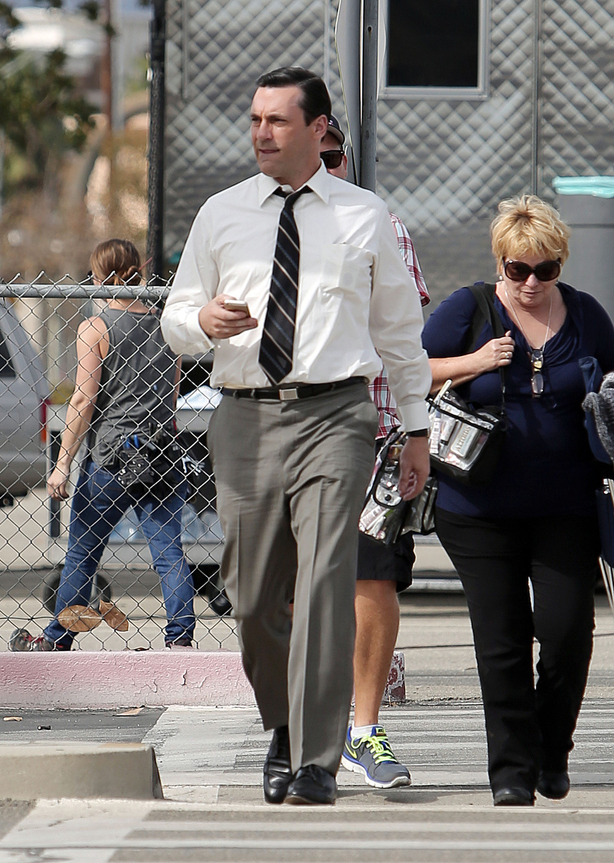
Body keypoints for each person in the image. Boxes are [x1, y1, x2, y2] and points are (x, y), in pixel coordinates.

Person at [161, 67, 431, 806]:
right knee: (250, 595)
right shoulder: (221, 213)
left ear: (318, 129)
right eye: (254, 119)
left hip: (336, 414)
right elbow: (176, 317)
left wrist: (415, 427)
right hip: (244, 414)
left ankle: (316, 760)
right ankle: (282, 723)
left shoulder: (365, 216)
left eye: (277, 121)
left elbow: (399, 333)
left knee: (323, 581)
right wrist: (201, 322)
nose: (261, 133)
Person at [422, 195, 614, 806]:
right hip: (476, 507)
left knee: (567, 634)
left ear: (560, 264)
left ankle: (552, 749)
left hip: (567, 507)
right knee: (500, 640)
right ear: (500, 262)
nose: (531, 282)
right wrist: (473, 362)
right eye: (518, 269)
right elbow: (408, 369)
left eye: (545, 269)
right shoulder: (469, 308)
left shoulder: (585, 314)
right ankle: (510, 771)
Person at [10, 239, 196, 651]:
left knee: (83, 554)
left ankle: (56, 640)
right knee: (169, 551)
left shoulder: (95, 327)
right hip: (161, 452)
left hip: (112, 455)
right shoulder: (168, 326)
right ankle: (180, 639)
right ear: (139, 271)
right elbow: (170, 397)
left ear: (97, 277)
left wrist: (62, 464)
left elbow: (83, 399)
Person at [319, 115, 430, 789]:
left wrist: (415, 430)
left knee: (373, 580)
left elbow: (404, 333)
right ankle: (310, 725)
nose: (325, 167)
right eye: (315, 155)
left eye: (335, 156)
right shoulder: (252, 221)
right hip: (287, 433)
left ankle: (363, 730)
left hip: (372, 433)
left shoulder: (378, 222)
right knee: (289, 589)